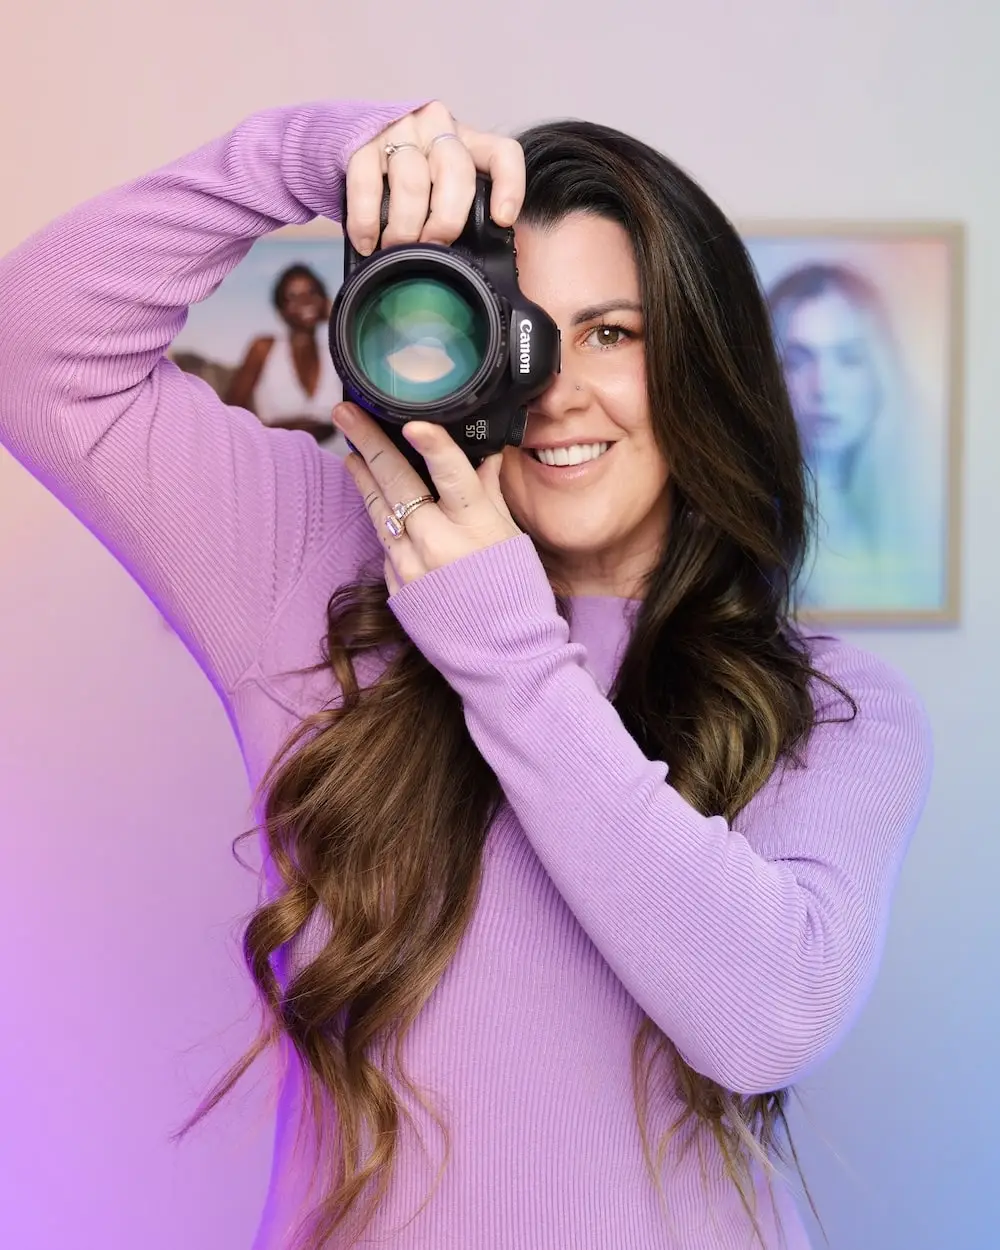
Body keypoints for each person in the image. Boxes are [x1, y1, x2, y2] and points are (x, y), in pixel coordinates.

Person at [0, 99, 932, 1250]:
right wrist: (314, 154)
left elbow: (767, 1016)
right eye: (515, 325)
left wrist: (496, 629)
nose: (554, 386)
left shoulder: (833, 704)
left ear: (702, 362)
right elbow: (37, 346)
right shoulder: (312, 559)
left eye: (613, 333)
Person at [766, 263, 939, 611]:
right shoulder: (745, 539)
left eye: (849, 359)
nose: (823, 388)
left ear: (880, 372)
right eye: (798, 360)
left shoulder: (913, 516)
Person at [225, 262, 348, 452]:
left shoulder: (337, 351)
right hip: (278, 459)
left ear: (324, 300)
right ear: (281, 309)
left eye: (312, 292)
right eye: (293, 297)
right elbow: (231, 414)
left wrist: (337, 313)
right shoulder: (264, 348)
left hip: (337, 461)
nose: (305, 301)